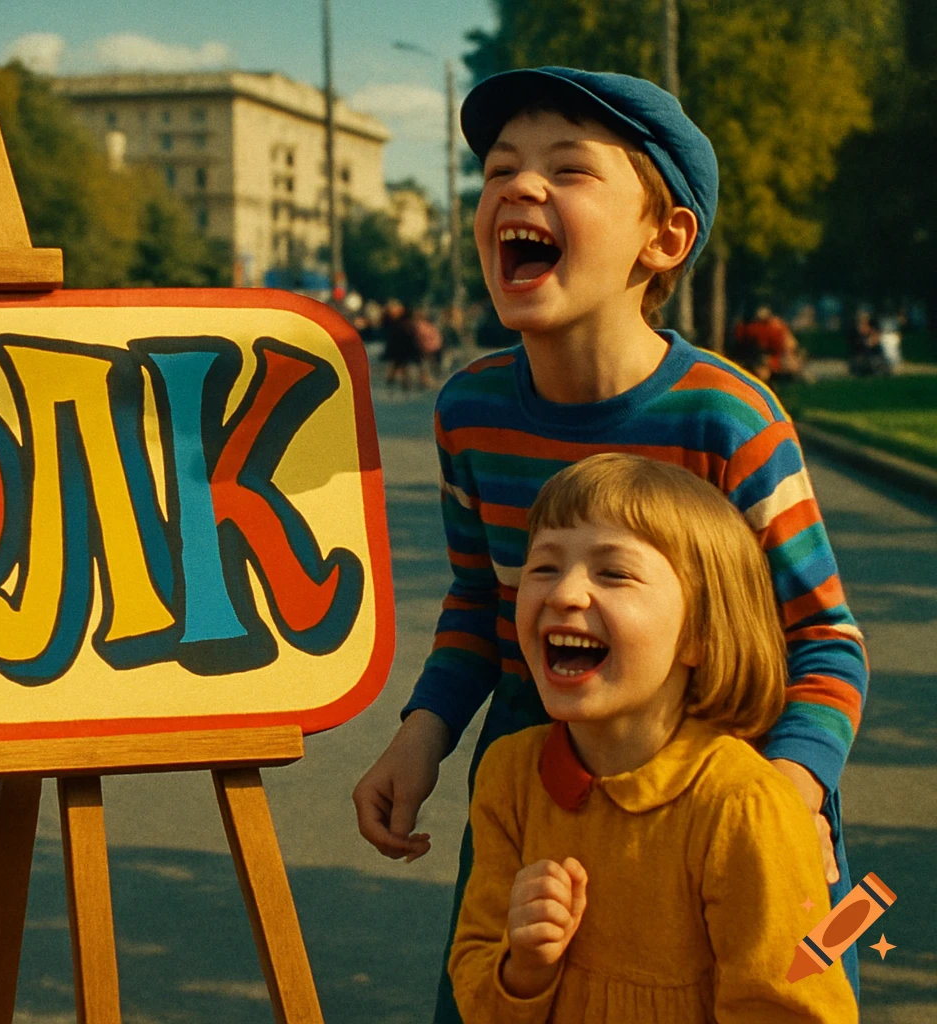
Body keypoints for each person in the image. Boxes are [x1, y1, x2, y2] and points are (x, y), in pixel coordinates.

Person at [348, 68, 867, 1023]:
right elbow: (480, 608)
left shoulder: (727, 416)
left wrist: (785, 797)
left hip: (724, 798)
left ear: (662, 239)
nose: (519, 187)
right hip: (541, 780)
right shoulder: (467, 410)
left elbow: (827, 644)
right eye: (499, 168)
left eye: (568, 169)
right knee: (506, 990)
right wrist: (419, 740)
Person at [448, 453, 857, 1022]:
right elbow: (472, 984)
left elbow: (789, 1007)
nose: (565, 593)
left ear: (700, 635)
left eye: (612, 572)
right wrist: (523, 969)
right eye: (543, 567)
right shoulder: (509, 776)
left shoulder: (746, 808)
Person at [381, 298, 426, 391]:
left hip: (406, 346)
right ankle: (399, 384)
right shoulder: (396, 321)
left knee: (405, 365)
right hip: (401, 346)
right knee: (400, 366)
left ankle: (412, 383)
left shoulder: (404, 320)